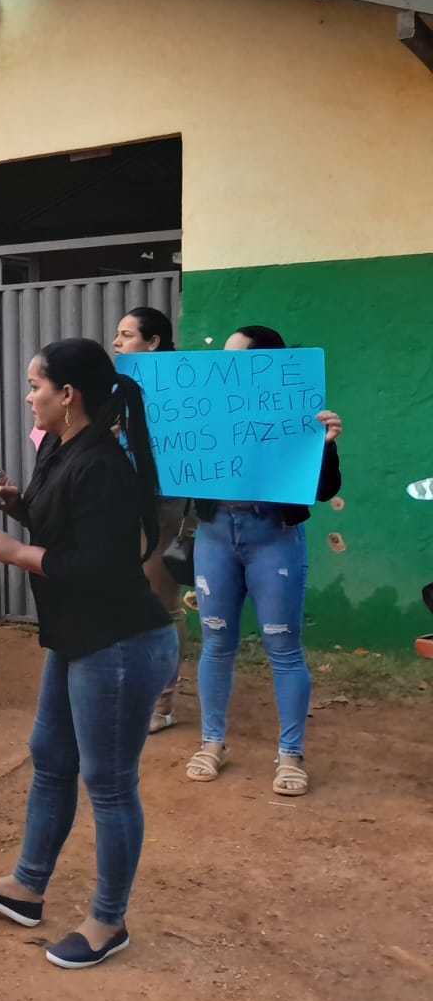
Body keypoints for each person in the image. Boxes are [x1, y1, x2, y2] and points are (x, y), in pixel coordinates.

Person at [0, 337, 177, 970]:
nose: (29, 396)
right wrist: (17, 504)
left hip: (121, 643)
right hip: (79, 636)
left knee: (107, 784)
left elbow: (101, 566)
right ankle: (26, 888)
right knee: (50, 756)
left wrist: (16, 552)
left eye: (35, 386)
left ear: (68, 395)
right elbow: (65, 529)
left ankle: (109, 923)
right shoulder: (59, 448)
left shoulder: (102, 462)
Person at [185, 325, 342, 798]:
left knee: (284, 647)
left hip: (274, 535)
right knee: (215, 642)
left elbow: (325, 490)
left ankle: (290, 754)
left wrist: (326, 447)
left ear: (266, 364)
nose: (226, 368)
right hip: (215, 535)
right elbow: (176, 464)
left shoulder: (300, 415)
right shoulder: (206, 409)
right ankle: (212, 743)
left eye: (238, 358)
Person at [112, 306, 190, 734]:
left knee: (162, 604)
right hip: (122, 503)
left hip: (163, 505)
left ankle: (162, 704)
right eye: (118, 335)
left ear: (153, 342)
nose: (117, 342)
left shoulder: (183, 387)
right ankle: (133, 691)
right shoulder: (119, 387)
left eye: (126, 335)